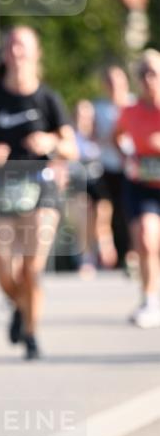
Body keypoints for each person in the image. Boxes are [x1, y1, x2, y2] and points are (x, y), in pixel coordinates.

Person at [0, 27, 78, 360]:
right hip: (1, 185)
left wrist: (52, 143)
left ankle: (31, 333)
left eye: (23, 46)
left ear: (35, 53)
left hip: (40, 186)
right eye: (12, 45)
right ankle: (20, 305)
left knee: (31, 268)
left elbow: (72, 147)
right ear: (6, 53)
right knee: (3, 267)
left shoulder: (47, 98)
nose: (16, 51)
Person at [115, 49, 160, 328]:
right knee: (145, 239)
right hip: (141, 184)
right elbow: (116, 136)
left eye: (153, 73)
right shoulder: (130, 112)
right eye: (142, 74)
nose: (147, 79)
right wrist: (127, 156)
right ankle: (149, 299)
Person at [92, 66, 134, 269]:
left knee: (130, 212)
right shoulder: (99, 108)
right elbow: (90, 136)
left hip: (133, 168)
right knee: (106, 211)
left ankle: (132, 253)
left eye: (117, 81)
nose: (114, 86)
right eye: (109, 82)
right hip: (107, 166)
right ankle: (108, 252)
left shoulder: (134, 104)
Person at [72, 98, 106, 276]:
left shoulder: (99, 136)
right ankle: (86, 257)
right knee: (83, 214)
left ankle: (104, 250)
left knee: (102, 215)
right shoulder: (71, 135)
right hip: (78, 183)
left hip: (99, 183)